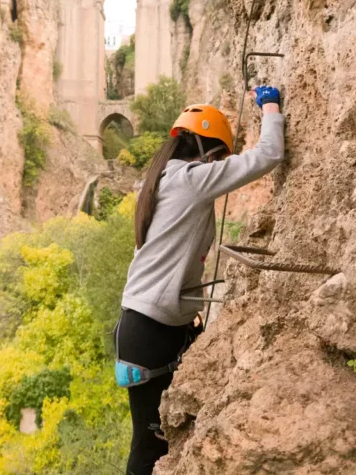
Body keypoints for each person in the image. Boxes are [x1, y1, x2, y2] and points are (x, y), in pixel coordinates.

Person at [115, 86, 285, 475]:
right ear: (205, 147)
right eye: (221, 155)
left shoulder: (159, 179)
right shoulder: (190, 180)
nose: (221, 163)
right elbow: (267, 155)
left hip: (147, 327)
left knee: (165, 439)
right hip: (149, 331)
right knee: (150, 446)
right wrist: (270, 107)